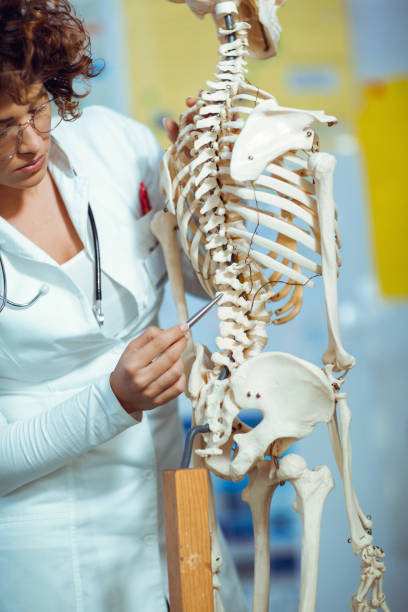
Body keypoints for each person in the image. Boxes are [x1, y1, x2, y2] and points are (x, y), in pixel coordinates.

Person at [0, 1, 247, 611]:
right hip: (51, 546)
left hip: (172, 506)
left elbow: (206, 274)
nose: (29, 142)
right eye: (0, 128)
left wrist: (209, 186)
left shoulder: (114, 143)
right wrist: (113, 400)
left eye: (36, 109)